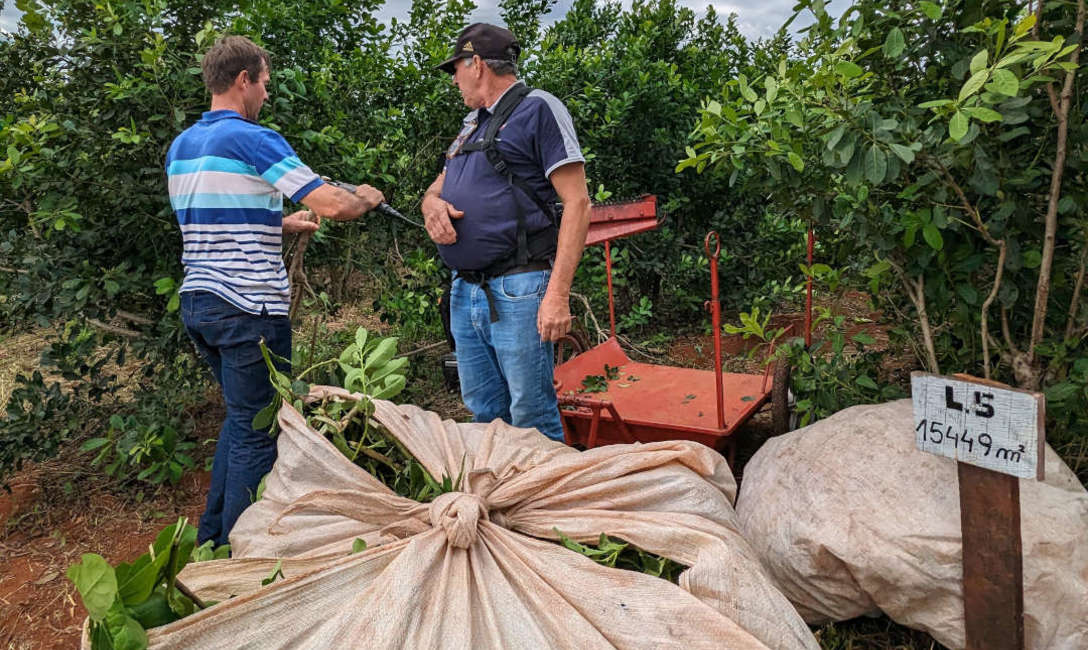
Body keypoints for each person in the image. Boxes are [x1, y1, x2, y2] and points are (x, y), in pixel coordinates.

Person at [166, 35, 386, 546]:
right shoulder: (253, 139)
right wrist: (367, 198)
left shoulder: (184, 147)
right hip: (248, 305)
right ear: (244, 80)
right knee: (260, 429)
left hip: (201, 299)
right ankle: (242, 553)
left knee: (240, 418)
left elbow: (209, 216)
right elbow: (333, 203)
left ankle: (211, 541)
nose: (266, 93)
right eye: (264, 82)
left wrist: (279, 224)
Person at [422, 23, 591, 441]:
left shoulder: (538, 109)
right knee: (484, 410)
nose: (454, 79)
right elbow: (438, 185)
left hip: (520, 287)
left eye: (456, 68)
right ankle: (502, 500)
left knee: (530, 413)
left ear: (476, 63)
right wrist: (430, 203)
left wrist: (557, 295)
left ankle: (547, 503)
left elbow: (578, 203)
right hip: (467, 290)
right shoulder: (470, 125)